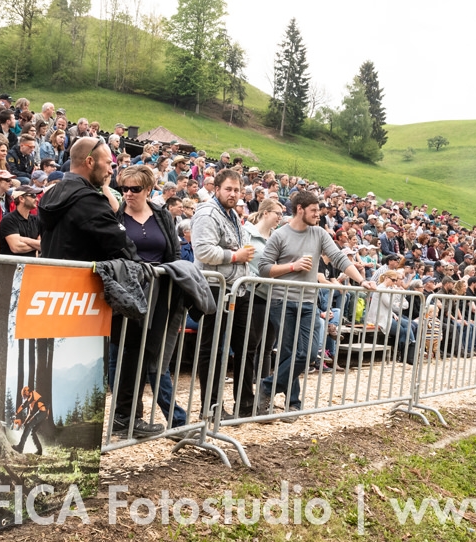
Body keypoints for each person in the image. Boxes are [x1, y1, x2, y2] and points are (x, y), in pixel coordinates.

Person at [256, 190, 375, 420]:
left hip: (309, 301)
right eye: (313, 211)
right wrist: (293, 266)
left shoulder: (319, 233)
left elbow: (339, 258)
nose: (318, 215)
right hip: (282, 300)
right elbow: (263, 268)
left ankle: (267, 387)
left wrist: (361, 281)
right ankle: (293, 404)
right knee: (288, 353)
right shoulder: (279, 235)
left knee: (308, 353)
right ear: (300, 209)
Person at [109, 163, 188, 435]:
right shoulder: (116, 217)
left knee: (147, 354)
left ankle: (132, 417)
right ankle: (125, 415)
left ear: (148, 189)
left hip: (160, 293)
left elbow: (174, 253)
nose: (128, 193)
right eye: (124, 188)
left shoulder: (162, 215)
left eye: (134, 188)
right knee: (126, 353)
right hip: (128, 295)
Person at [190, 169, 268, 421]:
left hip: (238, 288)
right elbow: (203, 251)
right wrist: (235, 256)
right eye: (228, 189)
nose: (233, 194)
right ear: (216, 189)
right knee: (212, 348)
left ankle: (245, 403)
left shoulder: (233, 214)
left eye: (237, 190)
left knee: (246, 346)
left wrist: (241, 258)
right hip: (215, 287)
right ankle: (211, 408)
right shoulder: (207, 213)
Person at [38, 138, 129, 261]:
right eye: (108, 163)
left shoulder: (49, 195)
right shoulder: (89, 201)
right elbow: (122, 246)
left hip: (52, 271)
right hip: (81, 272)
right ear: (90, 162)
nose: (110, 171)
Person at [0, 185, 42, 257]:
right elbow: (16, 248)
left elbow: (43, 245)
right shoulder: (9, 220)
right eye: (33, 195)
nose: (37, 199)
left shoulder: (36, 220)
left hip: (31, 263)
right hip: (12, 263)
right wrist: (36, 245)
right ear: (21, 198)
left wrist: (24, 240)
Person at [12, 385, 47, 455]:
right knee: (33, 432)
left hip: (42, 412)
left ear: (27, 391)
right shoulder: (31, 402)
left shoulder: (32, 394)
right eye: (24, 396)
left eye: (25, 395)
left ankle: (20, 448)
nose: (25, 396)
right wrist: (24, 423)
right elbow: (29, 414)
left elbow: (24, 405)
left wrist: (16, 413)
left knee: (29, 426)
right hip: (42, 414)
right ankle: (39, 450)